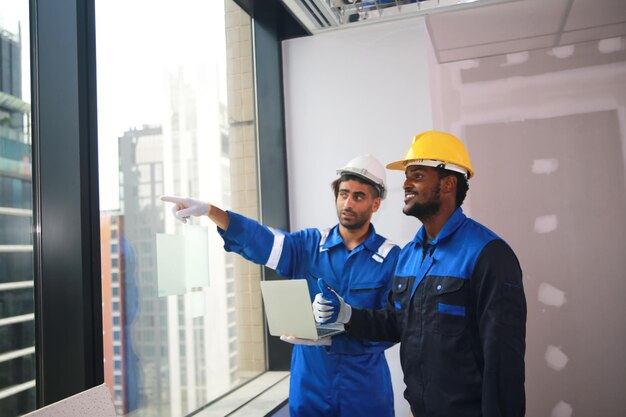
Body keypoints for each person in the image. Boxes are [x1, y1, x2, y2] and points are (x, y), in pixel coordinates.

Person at [161, 154, 400, 417]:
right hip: (311, 390)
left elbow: (392, 327)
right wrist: (210, 211)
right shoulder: (308, 245)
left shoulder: (391, 258)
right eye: (343, 194)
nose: (347, 202)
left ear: (375, 203)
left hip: (364, 395)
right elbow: (260, 240)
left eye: (358, 196)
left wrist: (333, 339)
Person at [314, 131, 527, 417]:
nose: (405, 183)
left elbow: (503, 364)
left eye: (416, 175)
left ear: (448, 183)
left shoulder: (488, 254)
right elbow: (395, 323)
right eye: (407, 176)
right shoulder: (409, 255)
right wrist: (347, 315)